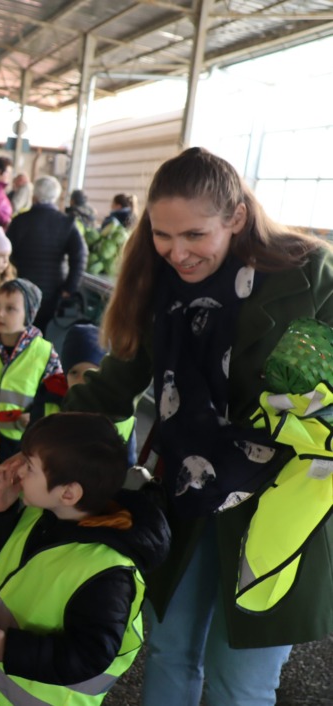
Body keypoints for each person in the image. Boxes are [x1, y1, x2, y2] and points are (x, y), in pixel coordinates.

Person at [61, 146, 333, 706]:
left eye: (194, 235)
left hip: (279, 506)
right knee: (169, 650)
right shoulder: (158, 286)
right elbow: (115, 385)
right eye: (163, 235)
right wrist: (35, 445)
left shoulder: (311, 273)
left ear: (235, 217)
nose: (176, 253)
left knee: (241, 682)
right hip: (186, 493)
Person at [0, 413, 170, 705]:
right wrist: (0, 509)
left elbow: (91, 654)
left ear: (69, 493)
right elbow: (0, 556)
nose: (19, 471)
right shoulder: (45, 514)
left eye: (30, 467)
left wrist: (12, 650)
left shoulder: (108, 573)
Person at [0, 279, 62, 462]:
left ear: (29, 314)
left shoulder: (44, 352)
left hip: (18, 441)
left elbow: (54, 396)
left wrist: (37, 419)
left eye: (10, 308)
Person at [31, 323, 138, 464]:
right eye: (74, 373)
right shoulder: (48, 399)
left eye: (91, 374)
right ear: (65, 375)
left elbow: (127, 467)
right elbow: (29, 448)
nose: (82, 382)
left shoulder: (123, 418)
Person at [6, 175, 87, 333]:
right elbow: (80, 256)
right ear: (56, 197)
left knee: (18, 331)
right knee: (41, 334)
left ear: (34, 196)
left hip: (20, 288)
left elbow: (7, 254)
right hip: (52, 291)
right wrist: (69, 287)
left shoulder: (19, 221)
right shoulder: (67, 223)